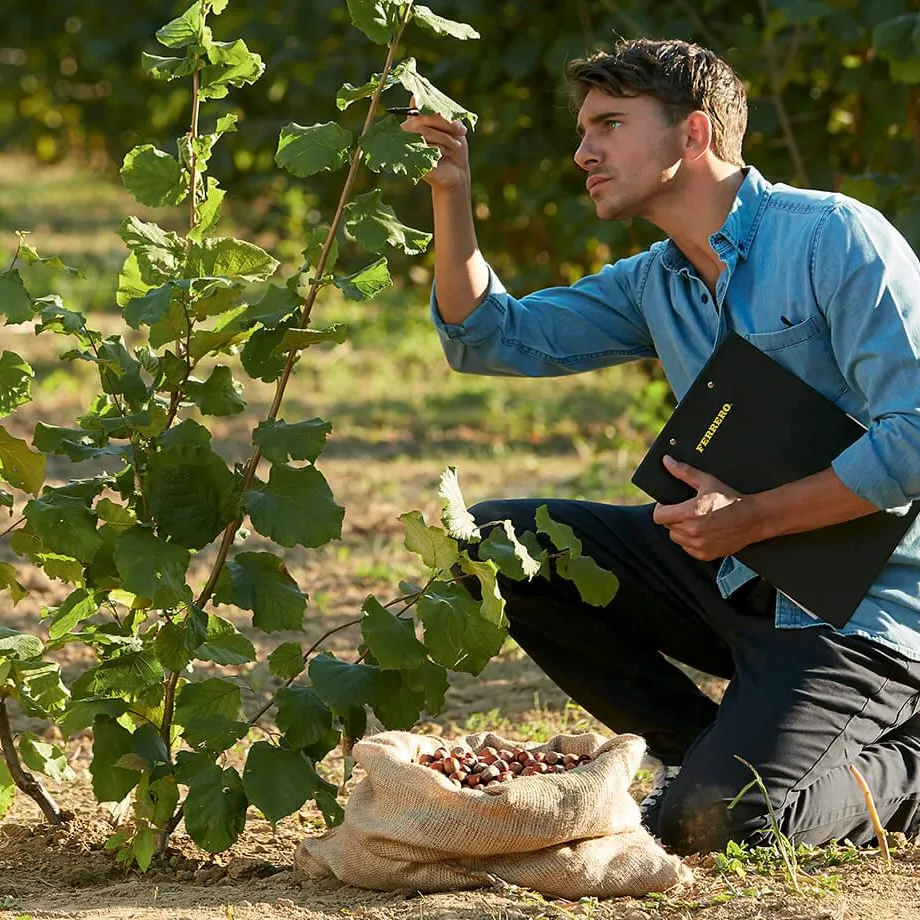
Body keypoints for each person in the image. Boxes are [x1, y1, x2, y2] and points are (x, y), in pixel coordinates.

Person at [400, 37, 920, 855]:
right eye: (583, 129)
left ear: (693, 135)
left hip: (862, 607)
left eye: (609, 123)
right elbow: (491, 339)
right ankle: (707, 755)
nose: (583, 152)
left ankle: (892, 769)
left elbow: (916, 440)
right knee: (499, 546)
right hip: (734, 568)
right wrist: (451, 194)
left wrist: (753, 517)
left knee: (725, 824)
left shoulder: (833, 240)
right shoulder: (657, 279)